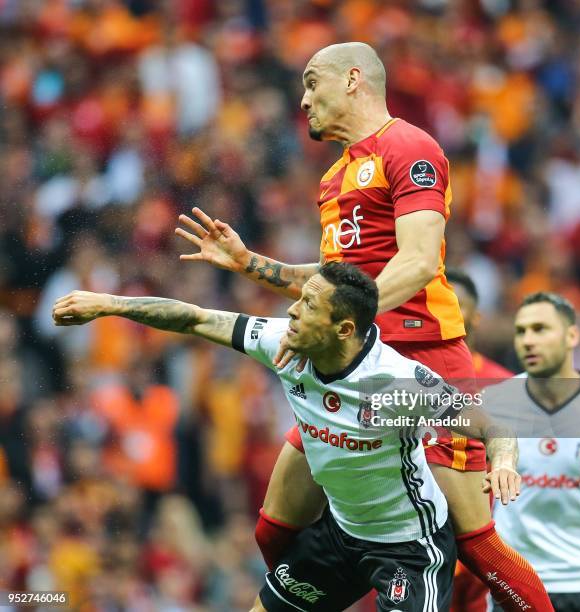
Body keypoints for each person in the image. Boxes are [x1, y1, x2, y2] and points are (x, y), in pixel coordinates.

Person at [175, 42, 552, 610]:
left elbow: (419, 260)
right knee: (274, 528)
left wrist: (353, 321)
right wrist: (249, 262)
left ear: (353, 79)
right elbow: (332, 284)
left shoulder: (410, 146)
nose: (302, 99)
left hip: (418, 364)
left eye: (311, 83)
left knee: (475, 545)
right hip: (350, 371)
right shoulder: (332, 182)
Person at [52, 262, 521, 612]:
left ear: (344, 329)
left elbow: (491, 423)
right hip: (340, 534)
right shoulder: (283, 344)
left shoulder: (397, 384)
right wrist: (108, 305)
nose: (292, 312)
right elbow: (194, 318)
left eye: (308, 305)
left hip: (408, 545)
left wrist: (501, 462)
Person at [486, 292, 580, 612]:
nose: (528, 340)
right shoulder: (495, 403)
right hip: (517, 581)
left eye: (540, 329)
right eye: (521, 331)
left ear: (572, 336)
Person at [444, 268, 513, 612]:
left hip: (481, 540)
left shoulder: (505, 386)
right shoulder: (409, 377)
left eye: (455, 305)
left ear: (477, 316)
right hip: (416, 535)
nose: (445, 314)